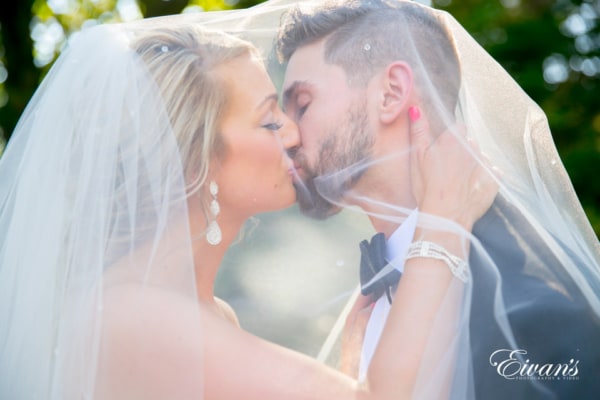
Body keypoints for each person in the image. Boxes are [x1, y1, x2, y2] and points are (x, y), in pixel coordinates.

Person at [0, 15, 494, 400]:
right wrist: (443, 222)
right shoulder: (131, 315)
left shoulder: (210, 315)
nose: (296, 133)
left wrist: (349, 372)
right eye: (269, 122)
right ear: (195, 160)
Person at [276, 0, 600, 399]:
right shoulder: (367, 308)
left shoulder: (535, 304)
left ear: (391, 93)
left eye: (302, 105)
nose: (286, 135)